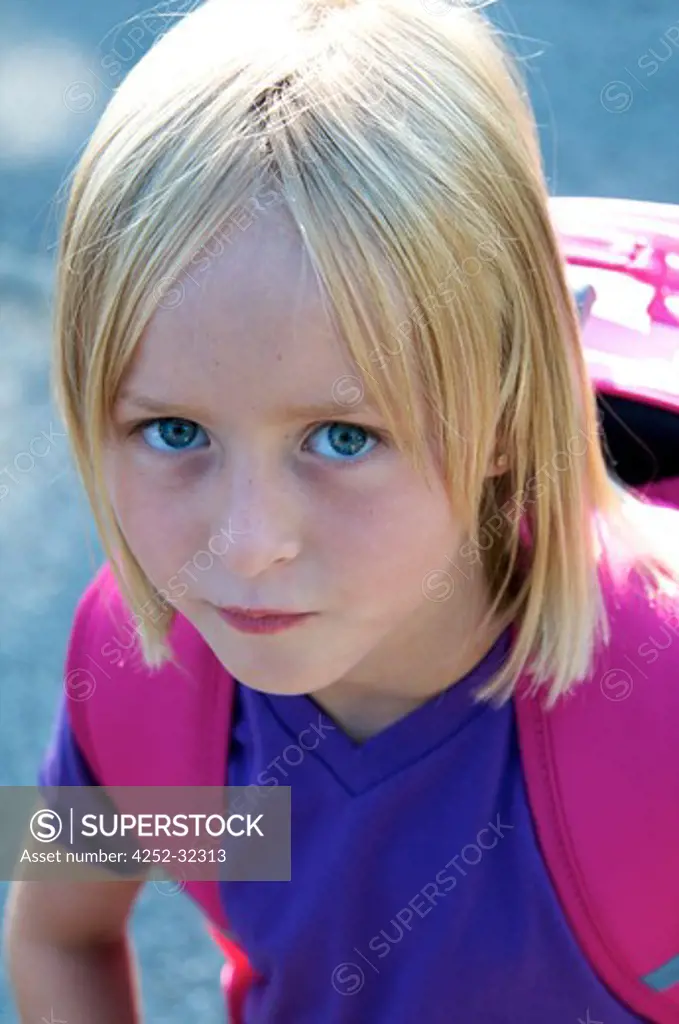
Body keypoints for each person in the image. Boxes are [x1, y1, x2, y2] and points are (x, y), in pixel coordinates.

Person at [4, 0, 679, 1021]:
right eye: (175, 432)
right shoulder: (155, 680)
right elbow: (61, 929)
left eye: (343, 438)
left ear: (510, 405)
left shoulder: (657, 717)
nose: (246, 546)